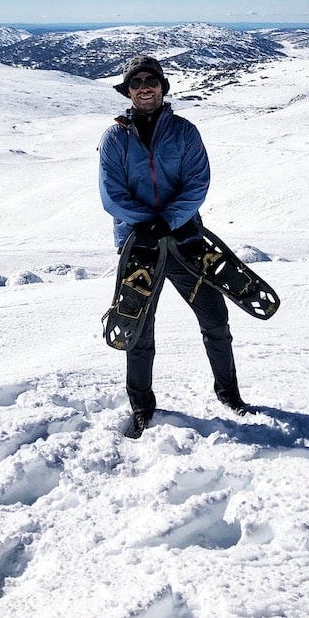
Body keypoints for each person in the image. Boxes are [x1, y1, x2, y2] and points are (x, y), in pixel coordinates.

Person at [98, 54, 253, 439]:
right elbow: (110, 193)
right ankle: (141, 407)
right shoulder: (114, 137)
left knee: (215, 320)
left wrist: (167, 220)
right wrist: (147, 224)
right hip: (140, 248)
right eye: (136, 83)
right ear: (128, 90)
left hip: (185, 241)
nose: (144, 87)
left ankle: (229, 394)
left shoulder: (185, 132)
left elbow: (197, 183)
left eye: (151, 80)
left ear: (164, 86)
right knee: (137, 330)